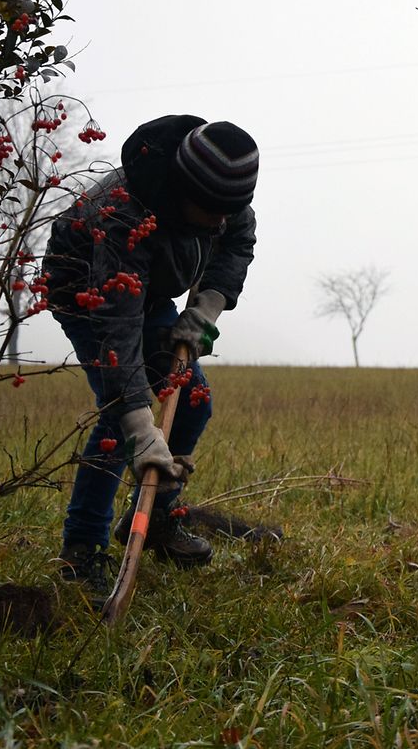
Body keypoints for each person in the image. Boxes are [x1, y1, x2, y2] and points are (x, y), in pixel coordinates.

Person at [45, 114, 258, 602]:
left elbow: (236, 244)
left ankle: (156, 515)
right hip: (87, 290)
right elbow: (118, 332)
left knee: (193, 404)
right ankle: (81, 551)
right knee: (119, 426)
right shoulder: (123, 215)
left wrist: (206, 308)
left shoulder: (225, 192)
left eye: (231, 210)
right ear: (183, 193)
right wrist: (142, 431)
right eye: (213, 213)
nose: (222, 221)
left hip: (152, 287)